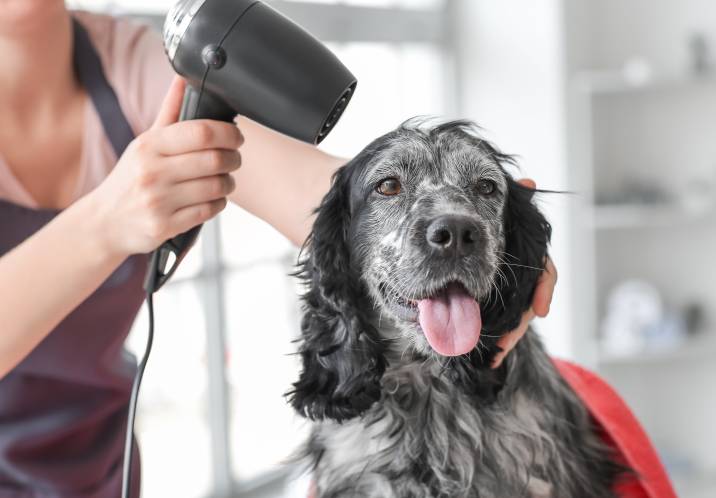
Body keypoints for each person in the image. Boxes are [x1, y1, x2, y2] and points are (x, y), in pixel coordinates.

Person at [0, 2, 557, 496]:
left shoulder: (133, 61)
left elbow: (317, 201)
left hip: (98, 454)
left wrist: (471, 223)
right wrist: (103, 223)